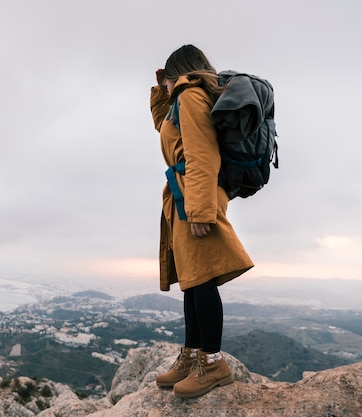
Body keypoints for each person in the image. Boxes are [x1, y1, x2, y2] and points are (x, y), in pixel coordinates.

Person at [149, 44, 254, 399]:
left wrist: (199, 210)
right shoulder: (181, 100)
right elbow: (167, 132)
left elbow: (201, 153)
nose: (163, 86)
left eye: (166, 79)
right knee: (193, 280)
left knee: (202, 279)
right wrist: (158, 92)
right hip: (188, 193)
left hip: (195, 194)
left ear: (177, 72)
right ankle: (192, 354)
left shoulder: (191, 97)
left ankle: (212, 364)